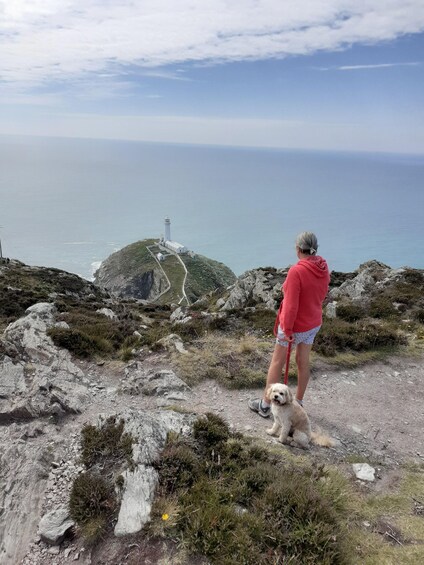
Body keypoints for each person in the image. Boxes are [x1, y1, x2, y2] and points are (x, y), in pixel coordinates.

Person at [249, 232, 330, 418]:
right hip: (313, 322)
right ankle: (298, 402)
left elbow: (291, 305)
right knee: (303, 361)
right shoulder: (322, 267)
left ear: (297, 249)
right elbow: (319, 291)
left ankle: (265, 405)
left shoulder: (296, 271)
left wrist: (286, 329)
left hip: (295, 326)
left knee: (277, 362)